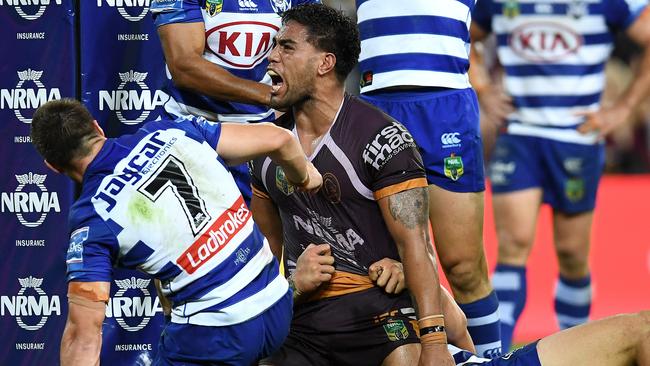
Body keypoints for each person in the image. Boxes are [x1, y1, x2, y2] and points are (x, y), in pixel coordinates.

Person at [29, 98, 322, 366]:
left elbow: (84, 337)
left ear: (52, 167)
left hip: (217, 335)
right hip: (277, 306)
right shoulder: (170, 130)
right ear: (97, 127)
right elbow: (280, 138)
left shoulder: (91, 218)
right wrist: (305, 177)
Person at [249, 4, 456, 365]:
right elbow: (263, 256)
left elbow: (416, 245)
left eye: (286, 47)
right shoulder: (264, 148)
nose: (271, 56)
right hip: (304, 321)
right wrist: (292, 286)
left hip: (378, 309)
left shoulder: (382, 139)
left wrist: (435, 345)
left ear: (324, 63)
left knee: (414, 356)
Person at [470, 0, 650, 351]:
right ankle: (498, 353)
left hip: (576, 141)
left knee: (571, 254)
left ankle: (581, 347)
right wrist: (484, 88)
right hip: (519, 136)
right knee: (512, 246)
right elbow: (460, 33)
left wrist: (624, 108)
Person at [354, 0, 503, 358]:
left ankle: (490, 360)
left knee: (463, 266)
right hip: (376, 105)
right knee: (388, 267)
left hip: (445, 107)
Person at [149, 0, 320, 205]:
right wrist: (270, 95)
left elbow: (316, 44)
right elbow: (185, 67)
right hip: (191, 135)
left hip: (261, 139)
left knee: (267, 235)